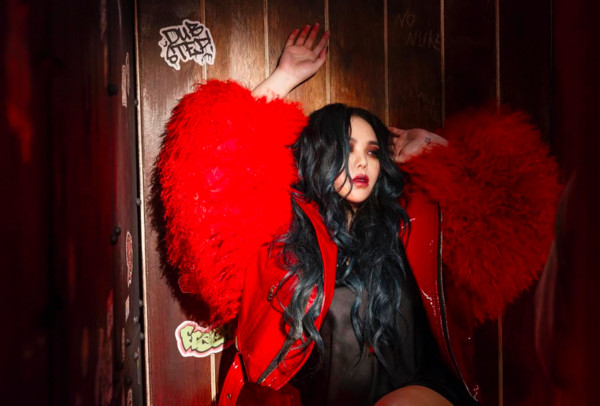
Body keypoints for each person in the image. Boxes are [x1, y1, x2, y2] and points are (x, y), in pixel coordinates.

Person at [157, 25, 559, 405]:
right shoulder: (284, 229)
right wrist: (283, 78)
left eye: (372, 151)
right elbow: (208, 175)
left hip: (418, 393)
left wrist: (438, 150)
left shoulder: (411, 226)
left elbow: (517, 208)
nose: (362, 162)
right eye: (346, 148)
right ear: (319, 156)